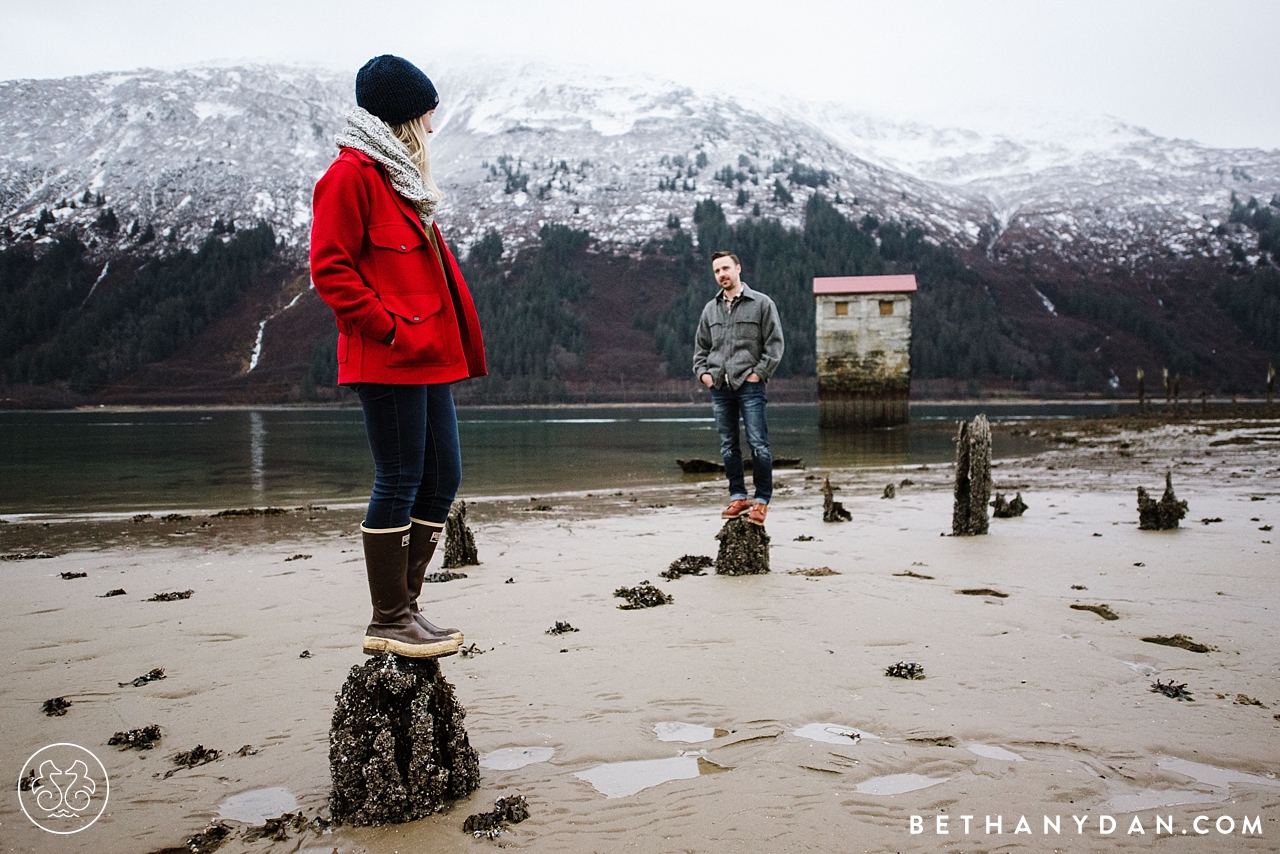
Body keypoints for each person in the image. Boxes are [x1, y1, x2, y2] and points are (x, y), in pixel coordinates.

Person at [310, 55, 486, 658]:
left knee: (442, 477)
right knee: (401, 476)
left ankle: (406, 609)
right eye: (427, 116)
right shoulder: (349, 176)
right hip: (388, 356)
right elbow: (330, 271)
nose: (433, 129)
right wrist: (389, 331)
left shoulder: (399, 182)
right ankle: (388, 619)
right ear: (404, 117)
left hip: (428, 356)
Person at [692, 251, 784, 526]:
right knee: (729, 445)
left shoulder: (762, 304)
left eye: (726, 268)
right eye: (717, 271)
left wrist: (759, 374)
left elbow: (775, 345)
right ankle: (738, 497)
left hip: (750, 385)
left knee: (758, 445)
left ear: (738, 268)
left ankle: (761, 501)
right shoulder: (710, 309)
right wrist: (704, 376)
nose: (722, 274)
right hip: (720, 386)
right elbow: (701, 350)